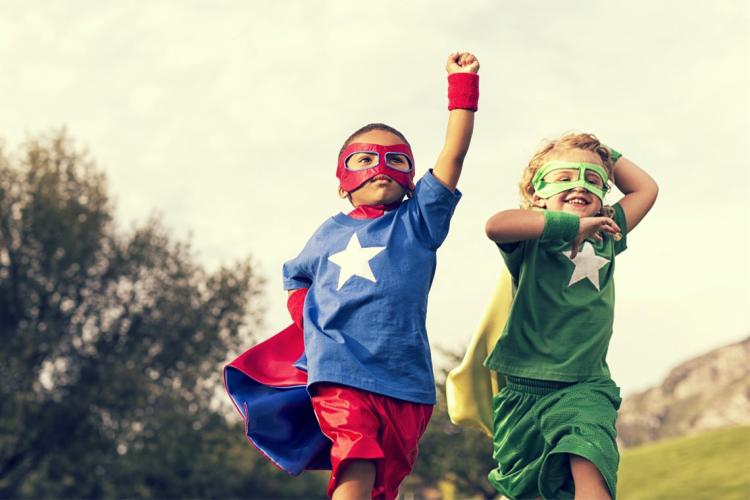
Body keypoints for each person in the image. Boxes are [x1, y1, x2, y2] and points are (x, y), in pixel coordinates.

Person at [226, 51, 479, 500]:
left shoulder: (419, 221)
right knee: (356, 453)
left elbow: (454, 154)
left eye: (396, 159)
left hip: (406, 379)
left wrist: (462, 86)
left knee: (386, 481)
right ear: (344, 179)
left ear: (411, 176)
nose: (381, 166)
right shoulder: (329, 232)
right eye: (365, 158)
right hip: (339, 368)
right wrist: (310, 322)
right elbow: (296, 278)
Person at [482, 132, 658, 499]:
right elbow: (495, 225)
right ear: (536, 195)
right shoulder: (530, 238)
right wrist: (574, 225)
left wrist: (605, 152)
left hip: (585, 386)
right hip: (524, 390)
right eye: (565, 177)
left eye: (593, 180)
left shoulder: (608, 233)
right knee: (529, 491)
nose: (580, 184)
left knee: (590, 459)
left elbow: (646, 189)